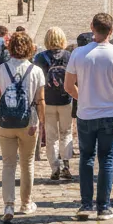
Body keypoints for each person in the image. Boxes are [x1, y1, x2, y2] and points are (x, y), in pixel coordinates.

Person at [65, 12, 113, 220]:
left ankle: (86, 204)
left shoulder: (78, 54)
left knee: (86, 158)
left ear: (92, 28)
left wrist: (83, 97)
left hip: (86, 114)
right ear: (111, 31)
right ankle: (103, 206)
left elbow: (68, 86)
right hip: (109, 113)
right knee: (107, 159)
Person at [0, 31, 46, 223]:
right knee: (27, 163)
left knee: (8, 164)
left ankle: (8, 205)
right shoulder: (36, 71)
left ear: (9, 48)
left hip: (6, 123)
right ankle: (26, 202)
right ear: (30, 48)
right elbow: (40, 100)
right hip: (28, 123)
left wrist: (3, 111)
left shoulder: (0, 69)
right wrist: (41, 121)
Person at [35, 27, 75, 181]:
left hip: (47, 101)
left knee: (51, 137)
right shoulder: (68, 56)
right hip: (65, 99)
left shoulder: (40, 58)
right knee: (66, 132)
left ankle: (54, 167)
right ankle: (66, 164)